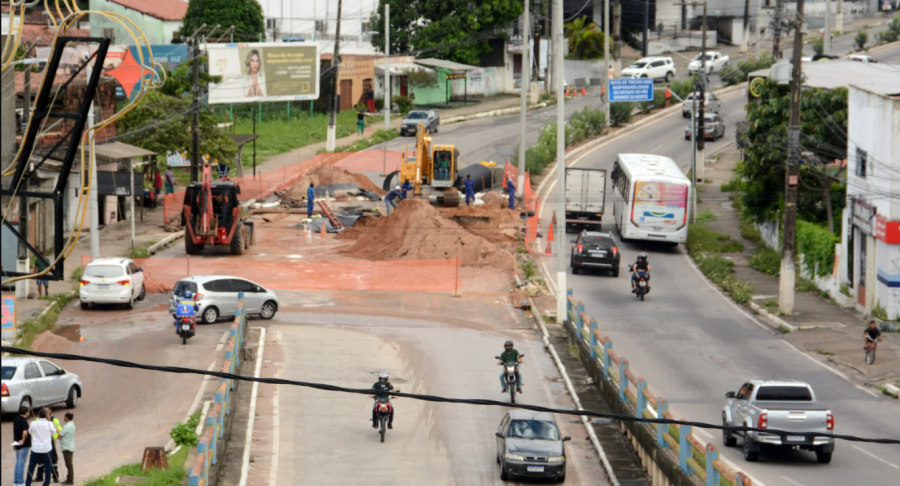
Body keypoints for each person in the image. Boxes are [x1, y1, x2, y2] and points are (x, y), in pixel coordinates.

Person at [25, 408, 57, 486]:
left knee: (31, 466)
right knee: (48, 465)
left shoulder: (33, 423)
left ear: (38, 415)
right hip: (46, 448)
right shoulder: (50, 424)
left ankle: (28, 483)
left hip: (35, 448)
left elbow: (30, 431)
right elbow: (54, 432)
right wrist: (49, 421)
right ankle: (46, 483)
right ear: (47, 415)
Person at [35, 408, 61, 484]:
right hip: (40, 442)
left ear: (50, 411)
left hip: (50, 441)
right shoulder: (37, 420)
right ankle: (39, 476)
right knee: (40, 460)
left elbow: (57, 430)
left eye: (47, 410)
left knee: (53, 459)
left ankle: (55, 477)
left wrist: (51, 423)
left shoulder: (53, 420)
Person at [13, 405, 31, 486]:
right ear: (26, 412)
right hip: (23, 445)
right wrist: (23, 440)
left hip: (16, 443)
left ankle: (16, 481)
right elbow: (25, 432)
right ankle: (20, 481)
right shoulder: (24, 421)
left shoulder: (16, 419)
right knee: (21, 463)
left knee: (17, 462)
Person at [58, 413, 75, 486]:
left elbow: (59, 436)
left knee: (69, 464)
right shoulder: (72, 425)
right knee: (69, 464)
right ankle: (69, 479)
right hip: (70, 446)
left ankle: (70, 480)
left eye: (64, 417)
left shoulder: (67, 426)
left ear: (66, 417)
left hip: (66, 447)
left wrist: (56, 429)